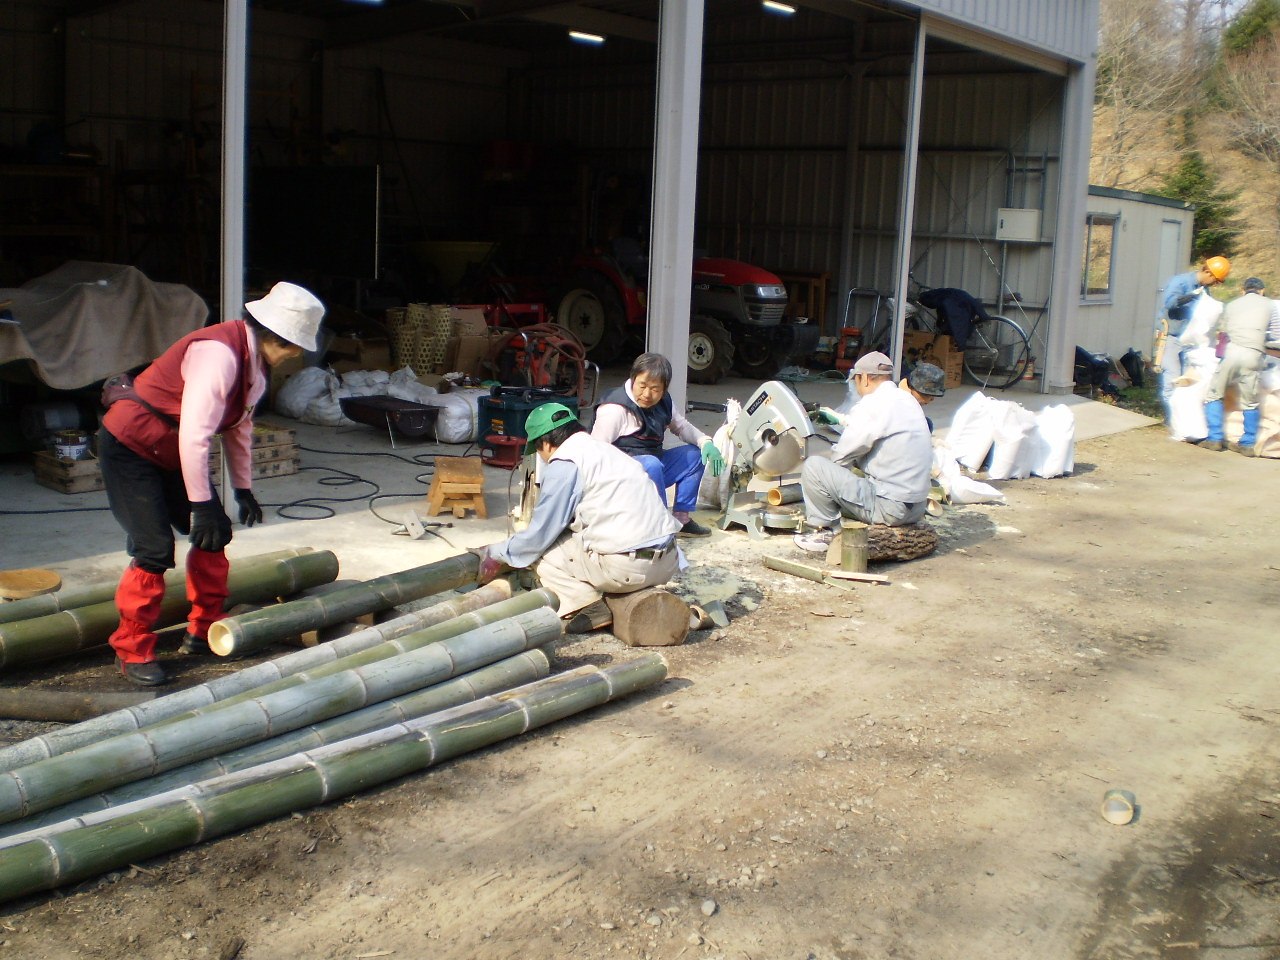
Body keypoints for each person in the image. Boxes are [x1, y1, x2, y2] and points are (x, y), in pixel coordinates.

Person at [98, 282, 325, 685]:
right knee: (154, 549)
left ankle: (203, 629)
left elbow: (239, 427)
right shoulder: (218, 354)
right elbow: (195, 435)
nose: (296, 355)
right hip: (131, 446)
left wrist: (243, 489)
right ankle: (131, 648)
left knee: (214, 534)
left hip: (171, 452)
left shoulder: (256, 366)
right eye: (294, 347)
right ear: (276, 337)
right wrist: (201, 504)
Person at [475, 402, 684, 632]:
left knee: (541, 551)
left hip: (628, 569)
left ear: (546, 443)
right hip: (668, 561)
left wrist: (497, 552)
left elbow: (539, 535)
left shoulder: (565, 463)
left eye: (539, 451)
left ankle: (586, 605)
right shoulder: (607, 451)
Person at [794, 351, 932, 553]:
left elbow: (840, 458)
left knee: (815, 467)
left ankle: (824, 531)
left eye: (856, 381)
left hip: (891, 508)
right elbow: (880, 430)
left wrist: (831, 482)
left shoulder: (871, 404)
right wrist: (842, 420)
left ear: (865, 378)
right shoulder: (907, 400)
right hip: (917, 506)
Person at [590, 352, 725, 537]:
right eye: (642, 386)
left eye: (655, 389)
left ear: (664, 388)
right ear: (633, 380)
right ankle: (659, 524)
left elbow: (681, 426)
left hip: (655, 466)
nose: (647, 394)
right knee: (651, 464)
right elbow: (595, 452)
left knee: (695, 455)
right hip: (623, 477)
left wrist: (706, 442)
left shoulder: (664, 401)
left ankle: (681, 520)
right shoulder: (615, 409)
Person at [1202, 277, 1279, 456]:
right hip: (1253, 355)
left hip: (1231, 352)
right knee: (1250, 401)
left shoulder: (1232, 304)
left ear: (1243, 291)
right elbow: (1276, 336)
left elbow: (1224, 333)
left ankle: (1214, 438)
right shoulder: (1270, 305)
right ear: (1262, 291)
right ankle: (1248, 444)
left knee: (1214, 394)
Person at [1158, 256, 1231, 425]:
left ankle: (1183, 419)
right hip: (1171, 337)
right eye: (1215, 280)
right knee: (1172, 375)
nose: (1215, 284)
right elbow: (1169, 303)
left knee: (1187, 379)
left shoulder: (1204, 290)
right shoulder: (1181, 282)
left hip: (1190, 340)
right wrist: (1190, 297)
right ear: (1208, 272)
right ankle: (1172, 419)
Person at [901, 361, 946, 433]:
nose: (931, 399)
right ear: (912, 387)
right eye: (926, 395)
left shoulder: (910, 400)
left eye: (933, 395)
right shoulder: (895, 399)